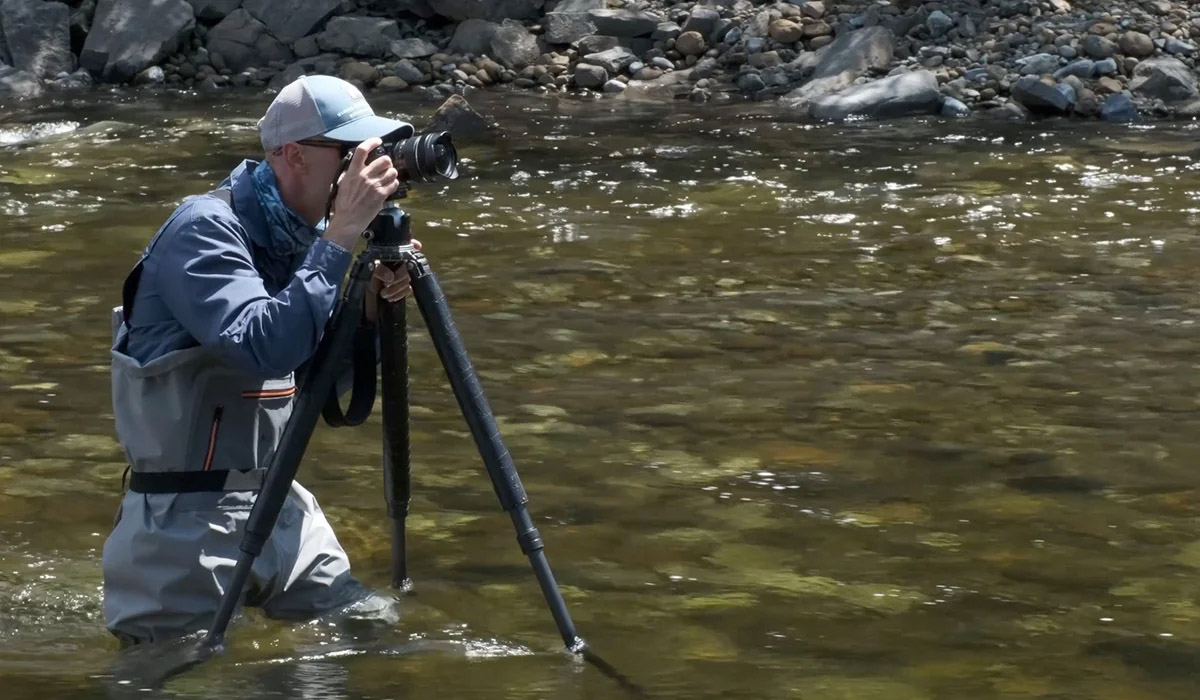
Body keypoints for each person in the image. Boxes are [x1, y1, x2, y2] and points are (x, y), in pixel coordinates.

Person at [101, 75, 419, 646]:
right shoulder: (204, 230)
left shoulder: (304, 238)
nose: (366, 170)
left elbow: (311, 381)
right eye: (351, 154)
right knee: (178, 682)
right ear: (294, 155)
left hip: (278, 503)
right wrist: (342, 235)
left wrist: (365, 309)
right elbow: (262, 346)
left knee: (377, 641)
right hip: (184, 521)